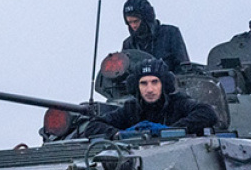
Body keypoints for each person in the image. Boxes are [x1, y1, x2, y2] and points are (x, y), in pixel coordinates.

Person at [81, 58, 218, 138]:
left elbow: (208, 113)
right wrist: (119, 134)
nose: (150, 89)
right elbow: (93, 126)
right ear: (136, 87)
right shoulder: (131, 109)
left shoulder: (178, 103)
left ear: (164, 84)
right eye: (143, 83)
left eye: (155, 82)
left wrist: (169, 130)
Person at [121, 0, 190, 72]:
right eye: (129, 22)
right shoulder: (128, 45)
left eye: (136, 21)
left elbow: (184, 68)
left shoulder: (170, 34)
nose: (133, 26)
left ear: (146, 19)